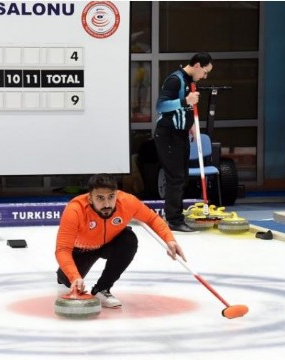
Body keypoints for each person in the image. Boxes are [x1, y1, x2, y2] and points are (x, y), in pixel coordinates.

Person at [55, 174, 186, 308]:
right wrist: (74, 277)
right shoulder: (75, 210)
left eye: (111, 197)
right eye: (100, 198)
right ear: (90, 198)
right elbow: (62, 250)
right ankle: (65, 275)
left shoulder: (127, 201)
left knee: (128, 240)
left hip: (110, 243)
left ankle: (102, 288)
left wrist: (170, 240)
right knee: (66, 279)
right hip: (83, 249)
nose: (106, 204)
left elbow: (152, 219)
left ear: (116, 195)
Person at [154, 52, 213, 233]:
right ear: (196, 66)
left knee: (182, 177)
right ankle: (173, 220)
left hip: (180, 134)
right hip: (168, 135)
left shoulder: (189, 81)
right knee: (176, 177)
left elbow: (185, 110)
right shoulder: (175, 80)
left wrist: (191, 127)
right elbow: (161, 106)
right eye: (205, 72)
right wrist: (185, 100)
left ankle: (174, 215)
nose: (205, 76)